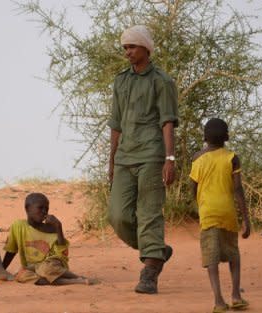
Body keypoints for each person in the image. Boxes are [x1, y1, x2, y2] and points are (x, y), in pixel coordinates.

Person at [107, 24, 179, 294]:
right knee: (117, 215)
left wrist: (169, 159)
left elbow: (168, 122)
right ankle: (156, 250)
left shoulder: (162, 81)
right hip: (125, 157)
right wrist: (111, 161)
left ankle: (149, 273)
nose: (127, 52)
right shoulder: (120, 81)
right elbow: (115, 124)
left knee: (149, 215)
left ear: (145, 49)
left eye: (132, 47)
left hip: (151, 156)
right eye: (125, 47)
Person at [189, 118, 251, 313]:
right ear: (227, 137)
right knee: (233, 254)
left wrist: (199, 203)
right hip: (227, 213)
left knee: (211, 257)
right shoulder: (232, 158)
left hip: (208, 213)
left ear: (204, 138)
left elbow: (193, 188)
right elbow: (238, 189)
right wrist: (246, 219)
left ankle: (218, 301)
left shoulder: (197, 159)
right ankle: (236, 295)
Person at [1, 192, 95, 285]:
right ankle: (73, 281)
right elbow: (11, 250)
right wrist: (1, 269)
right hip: (33, 267)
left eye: (46, 208)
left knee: (45, 269)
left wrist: (58, 227)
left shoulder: (51, 228)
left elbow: (62, 254)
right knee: (21, 275)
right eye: (40, 208)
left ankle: (75, 278)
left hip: (52, 264)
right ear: (27, 209)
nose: (44, 211)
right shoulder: (18, 226)